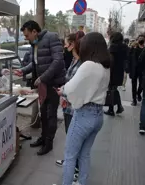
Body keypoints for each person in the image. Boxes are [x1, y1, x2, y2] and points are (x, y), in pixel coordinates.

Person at [56, 32, 110, 185]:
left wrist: (63, 91)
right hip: (98, 116)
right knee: (85, 155)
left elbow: (71, 87)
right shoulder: (105, 67)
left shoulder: (88, 65)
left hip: (84, 115)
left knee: (70, 156)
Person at [14, 20, 66, 155]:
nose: (26, 38)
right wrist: (23, 71)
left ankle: (49, 142)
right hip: (42, 84)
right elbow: (35, 63)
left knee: (51, 114)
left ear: (34, 32)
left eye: (27, 35)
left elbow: (58, 61)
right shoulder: (34, 44)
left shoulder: (51, 38)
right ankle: (43, 138)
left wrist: (43, 77)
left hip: (53, 83)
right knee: (43, 112)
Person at [55, 31, 85, 181]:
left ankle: (75, 169)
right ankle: (69, 162)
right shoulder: (74, 60)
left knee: (75, 139)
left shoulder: (82, 64)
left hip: (74, 107)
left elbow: (78, 87)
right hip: (67, 104)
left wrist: (64, 93)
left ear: (73, 44)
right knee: (69, 136)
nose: (65, 46)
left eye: (67, 43)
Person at [104, 32, 127, 116]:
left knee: (111, 90)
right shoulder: (125, 47)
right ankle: (118, 107)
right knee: (114, 89)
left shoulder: (113, 47)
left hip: (112, 71)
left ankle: (112, 110)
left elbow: (110, 60)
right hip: (120, 71)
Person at [128, 35, 145, 106]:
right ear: (137, 40)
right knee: (134, 85)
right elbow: (129, 57)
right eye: (139, 38)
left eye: (142, 38)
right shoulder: (133, 48)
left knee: (142, 85)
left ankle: (138, 93)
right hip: (134, 69)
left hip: (143, 70)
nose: (141, 39)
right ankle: (134, 99)